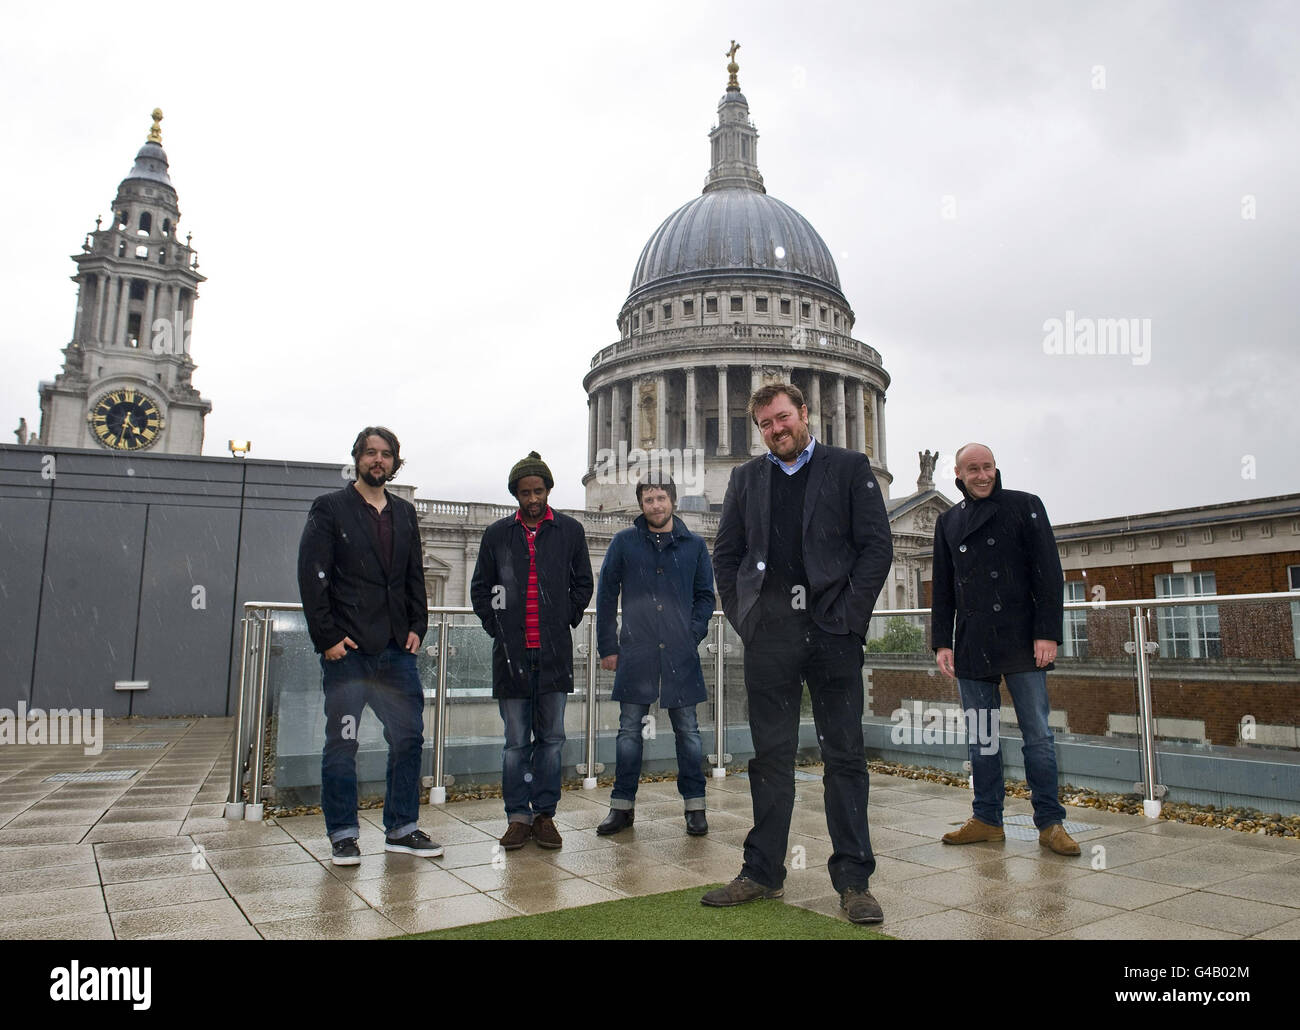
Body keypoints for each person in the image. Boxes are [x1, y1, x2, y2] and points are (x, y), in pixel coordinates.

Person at [703, 383, 893, 925]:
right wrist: (747, 620)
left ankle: (854, 880)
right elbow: (727, 555)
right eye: (765, 424)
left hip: (832, 634)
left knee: (845, 758)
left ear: (804, 414)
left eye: (783, 418)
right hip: (771, 638)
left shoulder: (849, 466)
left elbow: (877, 546)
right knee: (770, 759)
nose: (776, 429)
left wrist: (850, 620)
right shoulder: (746, 478)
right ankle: (762, 871)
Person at [297, 427, 442, 866]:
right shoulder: (330, 508)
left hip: (397, 650)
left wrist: (419, 623)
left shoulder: (404, 512)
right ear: (357, 458)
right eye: (370, 453)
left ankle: (402, 828)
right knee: (343, 743)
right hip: (349, 650)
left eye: (386, 455)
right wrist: (327, 639)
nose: (378, 461)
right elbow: (312, 575)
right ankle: (343, 834)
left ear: (396, 463)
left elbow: (413, 576)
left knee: (409, 738)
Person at [931, 443, 1080, 856]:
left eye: (988, 467)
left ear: (996, 469)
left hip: (1022, 638)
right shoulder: (948, 521)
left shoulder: (1024, 506)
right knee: (981, 736)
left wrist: (1047, 633)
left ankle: (1051, 824)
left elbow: (1049, 573)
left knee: (1038, 736)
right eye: (973, 470)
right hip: (973, 642)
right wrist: (943, 641)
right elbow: (943, 588)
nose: (982, 475)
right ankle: (986, 819)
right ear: (958, 476)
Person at [470, 451, 593, 851]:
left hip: (554, 655)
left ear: (548, 490)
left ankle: (545, 815)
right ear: (516, 495)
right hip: (512, 656)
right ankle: (517, 817)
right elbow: (480, 589)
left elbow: (583, 585)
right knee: (516, 743)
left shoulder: (571, 531)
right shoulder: (496, 535)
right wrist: (499, 629)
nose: (533, 498)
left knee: (552, 740)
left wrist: (564, 620)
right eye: (525, 492)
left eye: (538, 490)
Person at [595, 476, 716, 837]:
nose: (656, 505)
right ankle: (622, 807)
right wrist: (608, 647)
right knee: (628, 732)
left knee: (689, 733)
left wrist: (692, 634)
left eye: (661, 498)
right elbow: (605, 596)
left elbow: (705, 597)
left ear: (673, 502)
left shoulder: (694, 546)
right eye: (649, 500)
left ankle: (695, 807)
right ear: (641, 504)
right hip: (636, 650)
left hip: (680, 653)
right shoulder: (623, 543)